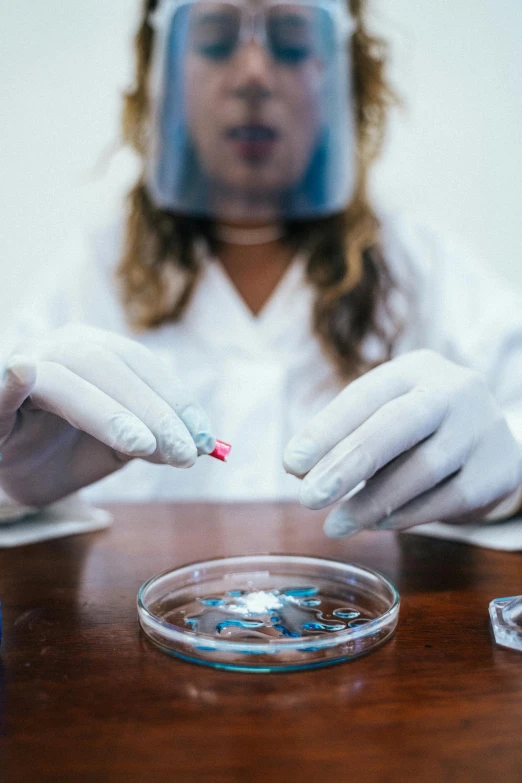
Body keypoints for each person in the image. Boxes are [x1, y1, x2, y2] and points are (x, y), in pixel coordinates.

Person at [1, 0, 522, 540]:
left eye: (293, 41)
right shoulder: (90, 277)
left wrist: (507, 475)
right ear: (164, 73)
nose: (252, 74)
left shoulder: (424, 271)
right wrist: (10, 485)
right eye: (215, 39)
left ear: (342, 73)